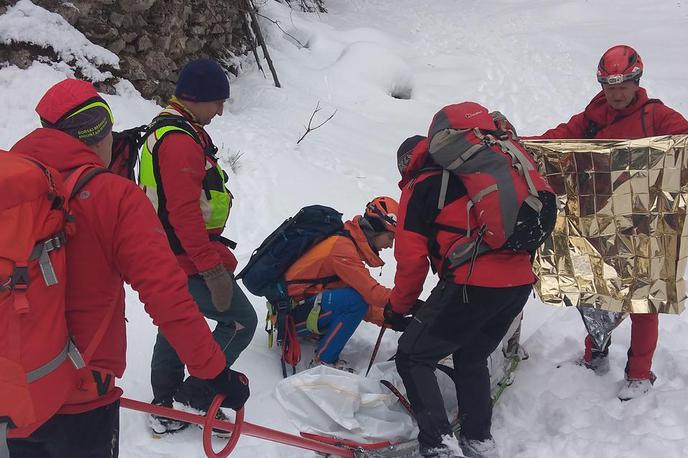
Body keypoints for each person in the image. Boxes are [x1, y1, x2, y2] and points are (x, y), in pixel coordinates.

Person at [6, 79, 249, 457]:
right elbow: (169, 301)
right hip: (80, 395)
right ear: (101, 134)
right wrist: (217, 374)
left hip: (11, 390)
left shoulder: (12, 189)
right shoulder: (115, 197)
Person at [386, 102, 553, 458]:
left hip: (472, 284)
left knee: (413, 357)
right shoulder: (477, 172)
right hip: (519, 282)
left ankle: (439, 446)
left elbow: (411, 258)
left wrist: (398, 309)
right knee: (471, 356)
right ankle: (478, 440)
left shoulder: (423, 183)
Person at [533, 44, 688, 400]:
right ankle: (595, 355)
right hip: (599, 221)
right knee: (597, 289)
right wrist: (520, 146)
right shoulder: (593, 115)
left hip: (645, 226)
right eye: (609, 87)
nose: (616, 94)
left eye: (623, 86)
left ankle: (639, 374)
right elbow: (558, 138)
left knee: (642, 302)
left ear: (637, 81)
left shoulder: (658, 117)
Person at [138, 58, 257, 433]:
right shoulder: (179, 143)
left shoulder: (166, 130)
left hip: (167, 253)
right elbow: (184, 215)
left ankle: (164, 402)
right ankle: (201, 390)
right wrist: (211, 269)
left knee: (177, 321)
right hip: (186, 257)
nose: (221, 110)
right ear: (197, 98)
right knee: (241, 321)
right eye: (217, 102)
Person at [284, 197, 399, 370]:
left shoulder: (347, 242)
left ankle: (320, 340)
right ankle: (323, 361)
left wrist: (391, 319)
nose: (390, 245)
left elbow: (364, 300)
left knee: (355, 298)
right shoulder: (343, 249)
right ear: (377, 228)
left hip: (296, 309)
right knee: (356, 300)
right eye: (390, 237)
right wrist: (405, 303)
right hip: (289, 319)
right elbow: (371, 294)